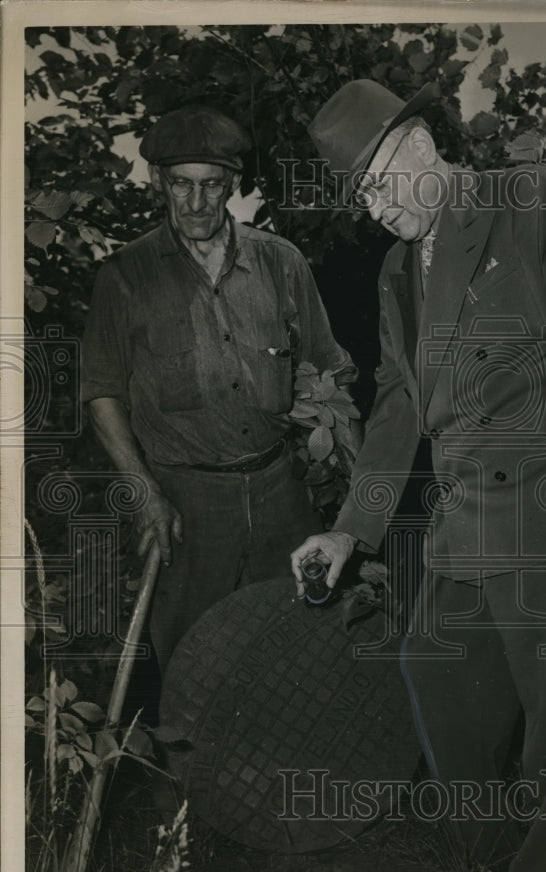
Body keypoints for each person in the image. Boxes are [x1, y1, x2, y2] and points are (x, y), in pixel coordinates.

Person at [291, 79, 546, 872]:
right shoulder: (394, 271)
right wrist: (352, 529)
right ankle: (496, 851)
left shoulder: (523, 201)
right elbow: (400, 405)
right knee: (436, 674)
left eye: (378, 184)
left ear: (418, 146)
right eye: (360, 198)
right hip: (467, 514)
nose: (374, 210)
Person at [82, 104, 354, 682]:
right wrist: (144, 490)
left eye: (211, 186)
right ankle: (189, 774)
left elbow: (329, 370)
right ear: (159, 181)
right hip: (185, 501)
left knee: (298, 652)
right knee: (193, 664)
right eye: (181, 185)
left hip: (282, 492)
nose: (197, 203)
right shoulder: (125, 276)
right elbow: (102, 392)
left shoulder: (281, 262)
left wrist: (333, 472)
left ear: (232, 184)